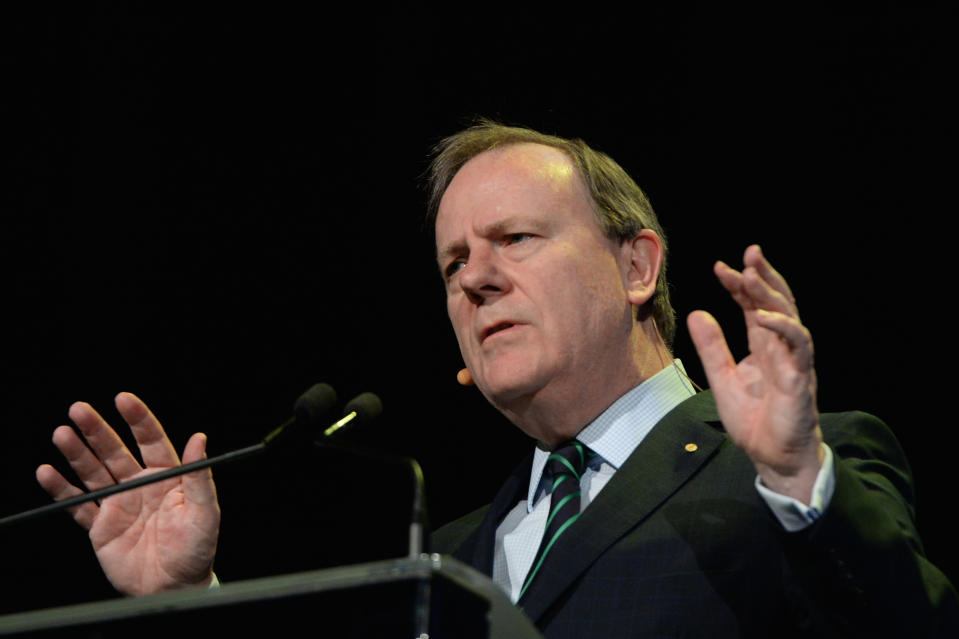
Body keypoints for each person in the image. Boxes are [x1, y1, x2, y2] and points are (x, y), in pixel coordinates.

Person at [36, 121, 957, 636]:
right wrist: (188, 604)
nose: (474, 278)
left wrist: (799, 480)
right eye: (450, 266)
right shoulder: (447, 549)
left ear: (637, 267)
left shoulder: (791, 471)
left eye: (514, 239)